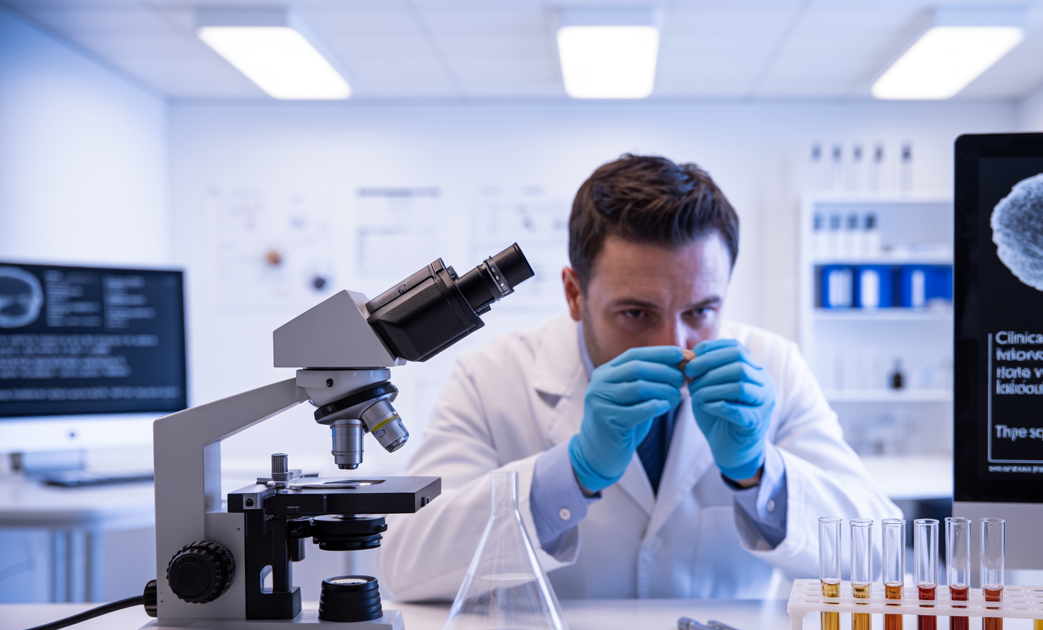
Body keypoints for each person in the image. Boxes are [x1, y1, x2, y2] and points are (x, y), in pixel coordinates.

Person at [378, 154, 898, 601]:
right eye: (636, 313)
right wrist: (572, 474)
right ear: (575, 294)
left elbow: (882, 557)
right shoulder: (492, 377)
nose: (674, 345)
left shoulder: (775, 366)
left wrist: (759, 473)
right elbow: (407, 563)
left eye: (700, 311)